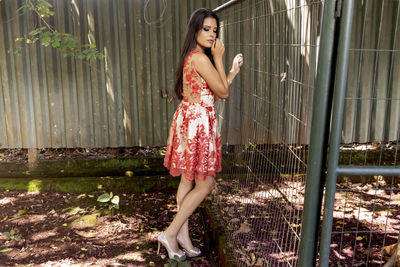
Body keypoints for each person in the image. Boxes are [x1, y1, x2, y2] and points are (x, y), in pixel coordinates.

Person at [158, 8, 243, 259]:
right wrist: (219, 57)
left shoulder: (194, 56)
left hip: (192, 120)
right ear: (195, 29)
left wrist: (232, 72)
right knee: (205, 184)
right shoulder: (202, 59)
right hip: (198, 125)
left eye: (215, 30)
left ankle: (181, 234)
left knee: (188, 180)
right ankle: (170, 232)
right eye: (206, 29)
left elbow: (215, 89)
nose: (212, 34)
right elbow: (224, 93)